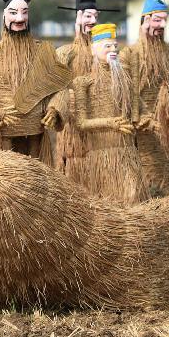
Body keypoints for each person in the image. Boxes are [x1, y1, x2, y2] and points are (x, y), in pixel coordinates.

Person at [0, 0, 70, 166]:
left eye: (24, 13)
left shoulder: (43, 51)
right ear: (5, 15)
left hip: (36, 129)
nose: (19, 18)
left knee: (37, 172)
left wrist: (54, 109)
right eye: (13, 13)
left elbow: (61, 86)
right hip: (5, 130)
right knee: (6, 170)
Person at [69, 24, 149, 204]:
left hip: (127, 152)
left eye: (115, 46)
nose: (113, 50)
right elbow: (81, 123)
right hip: (101, 154)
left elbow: (138, 106)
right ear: (93, 50)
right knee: (108, 201)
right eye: (107, 46)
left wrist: (146, 119)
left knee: (134, 196)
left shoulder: (125, 81)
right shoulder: (84, 83)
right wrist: (110, 123)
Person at [120, 0, 169, 196]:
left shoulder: (166, 50)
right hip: (139, 126)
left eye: (164, 20)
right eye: (157, 19)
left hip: (163, 125)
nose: (162, 24)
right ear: (146, 19)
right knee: (147, 171)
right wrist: (143, 118)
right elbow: (126, 93)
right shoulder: (130, 54)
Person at [52, 0, 121, 174]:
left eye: (95, 17)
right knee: (73, 165)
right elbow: (55, 87)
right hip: (73, 123)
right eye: (87, 16)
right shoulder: (66, 53)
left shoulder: (101, 52)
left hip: (99, 121)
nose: (92, 20)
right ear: (78, 18)